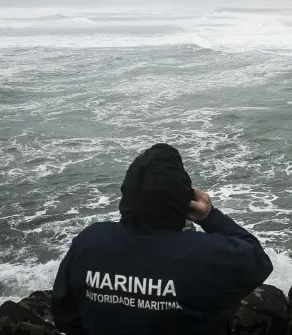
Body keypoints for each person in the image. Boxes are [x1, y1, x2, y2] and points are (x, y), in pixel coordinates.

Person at [51, 143, 273, 335]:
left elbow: (65, 316)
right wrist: (209, 216)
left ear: (127, 195)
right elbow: (258, 261)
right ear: (185, 201)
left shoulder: (89, 243)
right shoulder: (205, 256)